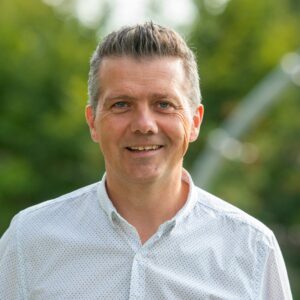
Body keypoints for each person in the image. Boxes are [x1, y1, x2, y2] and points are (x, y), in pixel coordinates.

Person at [0, 22, 292, 299]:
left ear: (194, 122)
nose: (144, 124)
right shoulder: (29, 242)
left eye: (163, 104)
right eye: (122, 104)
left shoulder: (252, 249)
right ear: (92, 122)